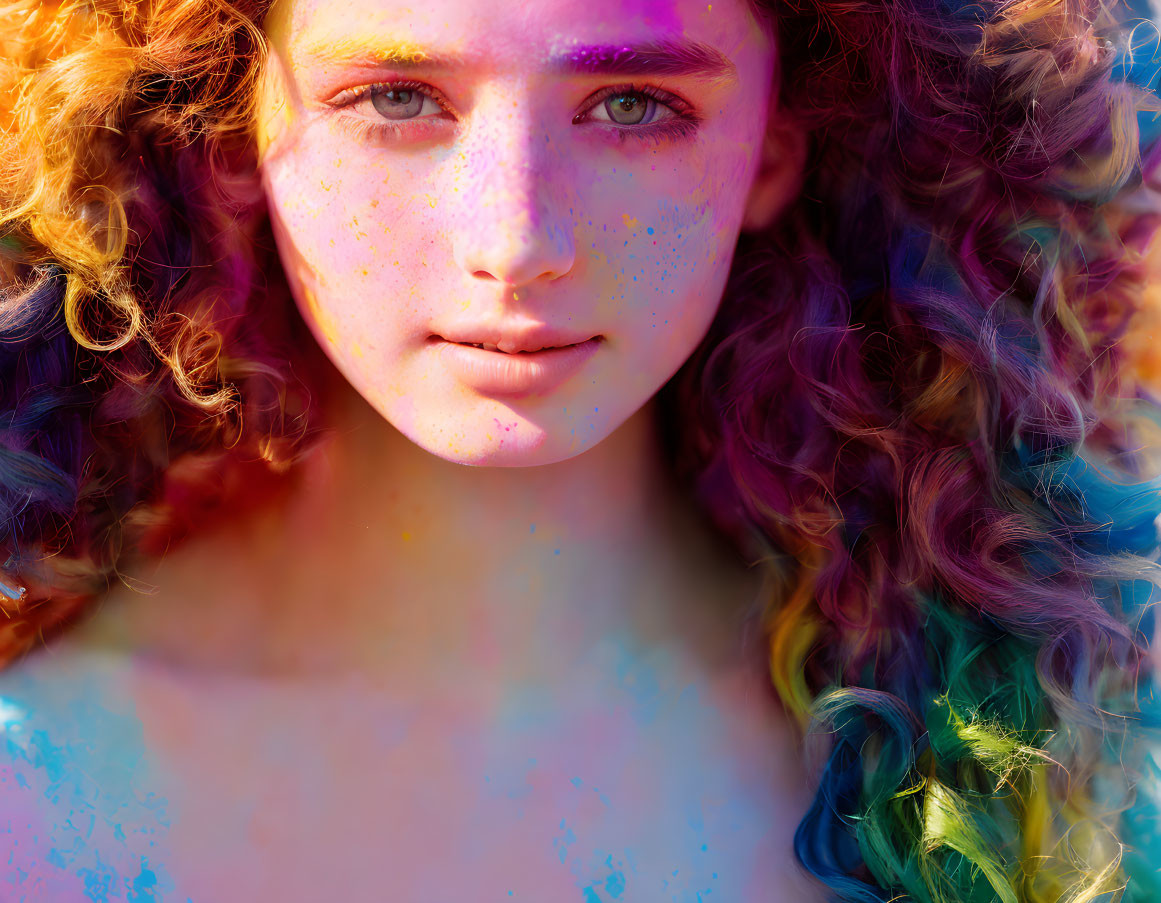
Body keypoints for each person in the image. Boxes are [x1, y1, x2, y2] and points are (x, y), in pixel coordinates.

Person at [0, 0, 1158, 899]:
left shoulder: (1059, 750)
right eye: (398, 99)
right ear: (230, 139)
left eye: (633, 105)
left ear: (773, 150)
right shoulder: (35, 795)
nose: (516, 240)